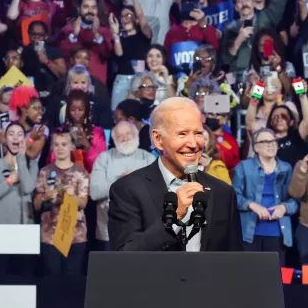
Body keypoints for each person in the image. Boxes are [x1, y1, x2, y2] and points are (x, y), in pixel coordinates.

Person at [109, 97, 242, 252]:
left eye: (198, 133)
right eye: (182, 134)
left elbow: (234, 262)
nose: (193, 144)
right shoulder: (127, 190)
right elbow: (124, 258)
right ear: (158, 139)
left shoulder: (223, 193)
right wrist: (173, 217)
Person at [233, 128, 298, 266]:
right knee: (250, 278)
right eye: (265, 141)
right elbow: (234, 197)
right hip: (250, 232)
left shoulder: (286, 168)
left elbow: (296, 200)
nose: (271, 145)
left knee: (274, 280)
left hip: (278, 232)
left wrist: (284, 207)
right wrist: (252, 205)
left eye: (273, 141)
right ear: (255, 147)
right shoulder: (244, 167)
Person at [0, 122, 38, 275]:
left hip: (25, 231)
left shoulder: (32, 164)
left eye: (20, 134)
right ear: (5, 139)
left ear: (25, 139)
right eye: (11, 134)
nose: (16, 138)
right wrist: (9, 181)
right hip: (1, 230)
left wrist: (21, 159)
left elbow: (28, 188)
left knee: (24, 278)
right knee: (1, 276)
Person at [90, 121, 156, 250]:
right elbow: (94, 192)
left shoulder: (148, 159)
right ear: (114, 140)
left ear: (136, 135)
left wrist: (136, 182)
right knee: (110, 270)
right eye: (120, 136)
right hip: (108, 232)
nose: (125, 138)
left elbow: (158, 192)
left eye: (128, 134)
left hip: (143, 232)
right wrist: (120, 181)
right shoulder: (104, 158)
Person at [34, 130, 89, 277]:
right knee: (52, 280)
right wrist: (45, 196)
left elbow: (83, 203)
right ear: (52, 147)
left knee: (72, 281)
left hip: (75, 235)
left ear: (72, 146)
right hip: (50, 236)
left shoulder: (81, 172)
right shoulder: (45, 172)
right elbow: (36, 205)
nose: (60, 148)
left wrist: (73, 197)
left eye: (64, 144)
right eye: (56, 144)